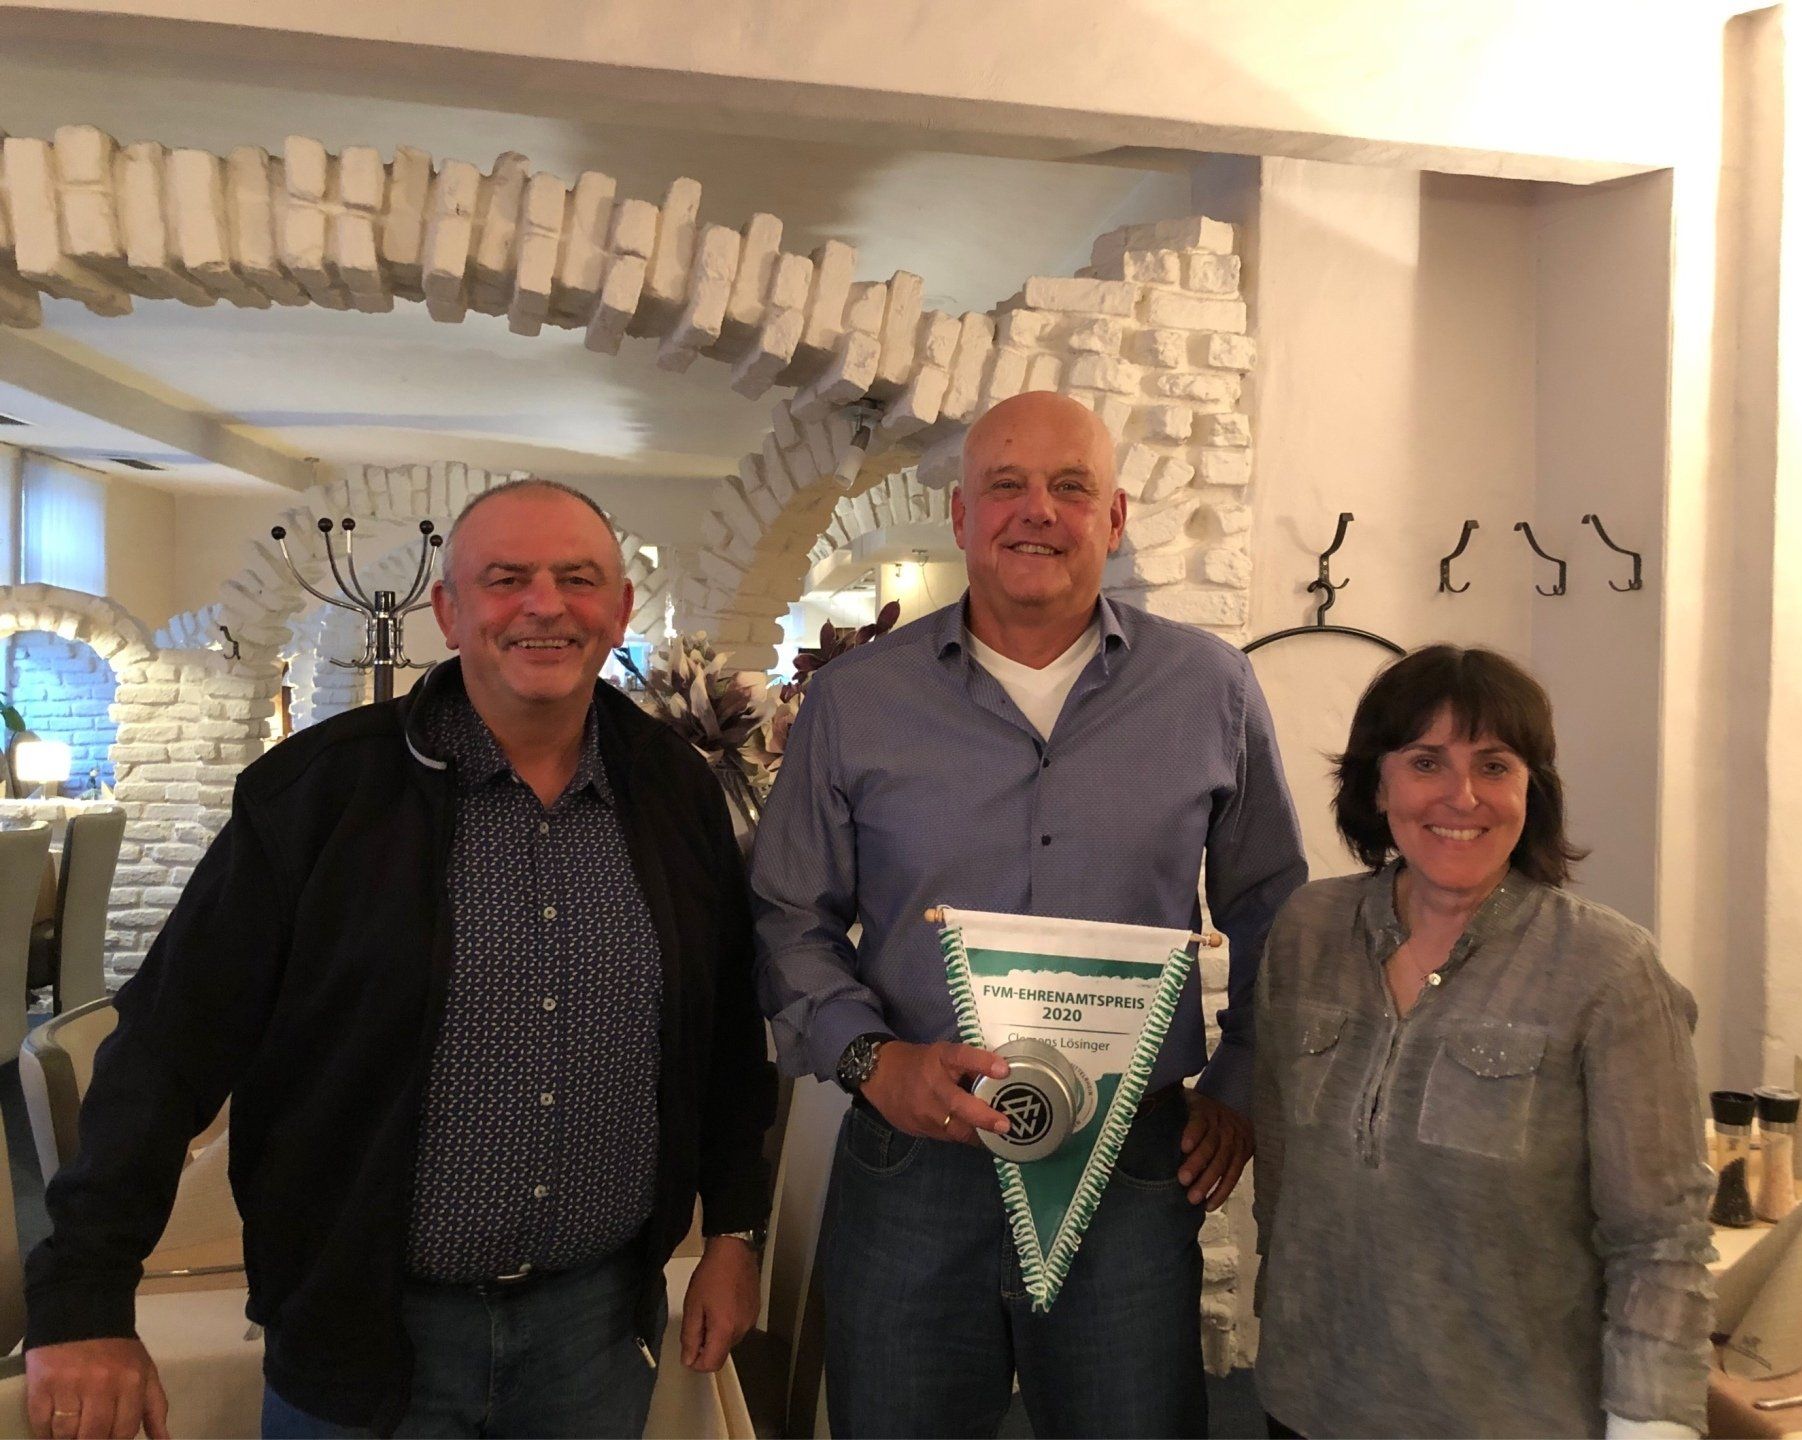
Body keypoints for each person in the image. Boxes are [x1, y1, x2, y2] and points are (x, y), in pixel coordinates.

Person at [24, 480, 774, 1439]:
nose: (545, 605)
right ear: (449, 611)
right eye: (506, 579)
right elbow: (167, 1051)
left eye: (578, 579)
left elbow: (724, 1033)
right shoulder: (318, 796)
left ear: (619, 609)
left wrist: (735, 1231)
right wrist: (84, 1297)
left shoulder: (673, 791)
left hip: (591, 1332)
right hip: (366, 1331)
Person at [753, 391, 1306, 1438]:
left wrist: (1240, 1081)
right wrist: (873, 1061)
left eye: (1070, 487)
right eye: (1005, 485)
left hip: (1131, 1164)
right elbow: (788, 915)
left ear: (1115, 516)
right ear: (962, 515)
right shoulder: (856, 701)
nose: (1037, 510)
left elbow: (1272, 902)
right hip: (916, 1158)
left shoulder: (1211, 689)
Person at [1251, 645, 1713, 1439]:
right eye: (1426, 761)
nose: (1461, 796)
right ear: (1377, 785)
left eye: (1494, 765)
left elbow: (1662, 1237)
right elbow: (1283, 1175)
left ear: (1531, 789)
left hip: (1509, 1416)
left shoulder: (1608, 969)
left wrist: (1651, 1424)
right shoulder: (1308, 931)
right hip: (1310, 1399)